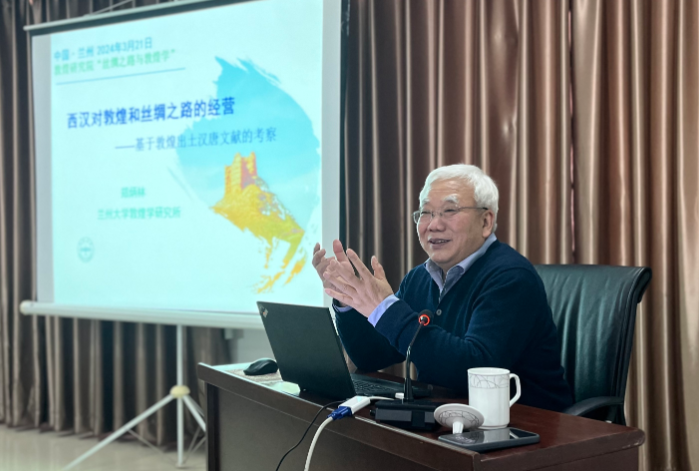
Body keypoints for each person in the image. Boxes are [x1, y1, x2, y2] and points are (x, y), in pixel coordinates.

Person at [312, 164, 572, 412]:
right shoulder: (419, 278)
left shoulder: (511, 278)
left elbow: (471, 372)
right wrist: (348, 299)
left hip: (529, 428)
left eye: (449, 210)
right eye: (426, 212)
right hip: (445, 420)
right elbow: (371, 357)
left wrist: (385, 308)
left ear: (485, 222)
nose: (434, 224)